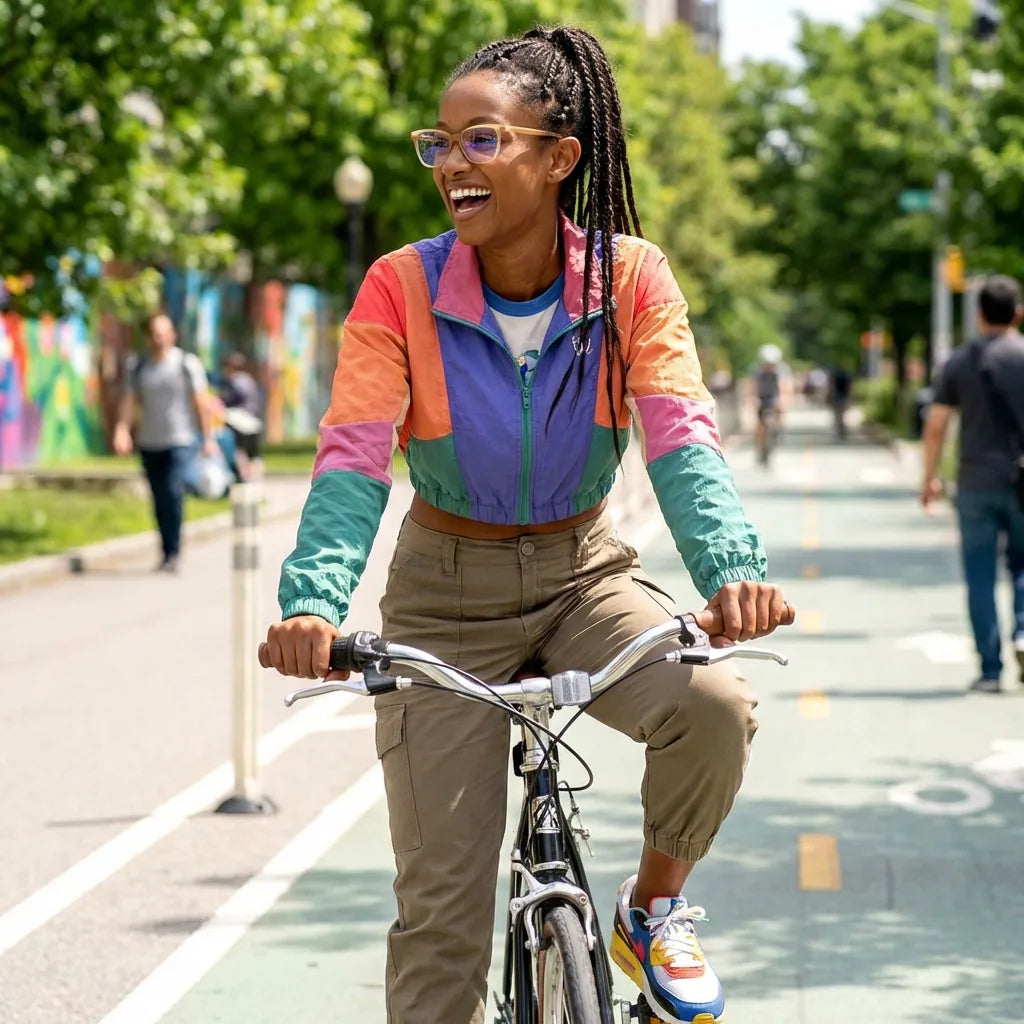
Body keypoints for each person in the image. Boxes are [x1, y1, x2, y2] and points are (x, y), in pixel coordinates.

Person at [259, 26, 793, 1024]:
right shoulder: (399, 286)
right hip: (442, 594)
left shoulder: (629, 277)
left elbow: (682, 437)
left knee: (713, 706)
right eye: (440, 143)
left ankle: (652, 907)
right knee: (444, 926)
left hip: (583, 575)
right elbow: (353, 458)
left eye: (482, 140)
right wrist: (311, 608)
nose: (453, 163)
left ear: (558, 159)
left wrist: (731, 571)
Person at [921, 274, 1024, 693]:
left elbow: (937, 425)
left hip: (976, 482)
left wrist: (928, 478)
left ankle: (990, 670)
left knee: (980, 576)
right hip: (1022, 482)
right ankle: (1023, 632)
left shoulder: (959, 362)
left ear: (979, 314)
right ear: (1018, 313)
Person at [112, 312, 217, 572]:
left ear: (172, 335)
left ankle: (174, 551)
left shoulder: (186, 364)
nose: (159, 338)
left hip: (181, 440)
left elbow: (201, 402)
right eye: (155, 333)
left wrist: (208, 438)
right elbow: (130, 401)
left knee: (172, 492)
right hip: (150, 442)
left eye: (164, 333)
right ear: (149, 337)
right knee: (159, 498)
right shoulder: (139, 366)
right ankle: (166, 550)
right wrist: (122, 430)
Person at [217, 351, 263, 481]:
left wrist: (222, 401)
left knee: (239, 449)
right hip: (253, 421)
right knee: (252, 453)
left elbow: (233, 399)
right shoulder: (250, 380)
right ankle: (254, 477)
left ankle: (243, 475)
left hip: (239, 422)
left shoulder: (235, 380)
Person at [748, 344, 788, 461]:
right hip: (761, 399)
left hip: (773, 398)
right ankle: (758, 445)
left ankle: (780, 430)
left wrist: (782, 400)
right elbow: (752, 386)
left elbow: (783, 387)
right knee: (758, 424)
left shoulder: (780, 372)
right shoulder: (756, 372)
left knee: (781, 410)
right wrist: (752, 398)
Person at [829, 364, 852, 441]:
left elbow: (832, 388)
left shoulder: (835, 377)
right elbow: (849, 388)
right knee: (842, 415)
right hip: (845, 398)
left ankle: (840, 428)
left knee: (837, 415)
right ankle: (842, 428)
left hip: (837, 398)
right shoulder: (846, 377)